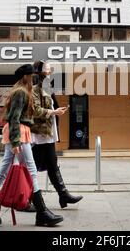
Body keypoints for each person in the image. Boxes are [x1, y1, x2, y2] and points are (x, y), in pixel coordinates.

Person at [0, 64, 64, 226]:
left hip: (20, 132)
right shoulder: (21, 92)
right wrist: (15, 141)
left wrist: (54, 112)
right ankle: (42, 212)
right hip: (19, 133)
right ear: (25, 77)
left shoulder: (21, 91)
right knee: (31, 169)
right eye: (31, 75)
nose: (34, 77)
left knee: (4, 171)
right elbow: (14, 117)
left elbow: (27, 114)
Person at [31, 60, 83, 209]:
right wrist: (54, 112)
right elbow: (35, 110)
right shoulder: (35, 88)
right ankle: (28, 198)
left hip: (47, 132)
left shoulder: (46, 87)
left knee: (52, 164)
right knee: (32, 167)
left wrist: (57, 109)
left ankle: (63, 195)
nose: (50, 71)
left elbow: (48, 106)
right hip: (39, 134)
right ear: (41, 71)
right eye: (48, 69)